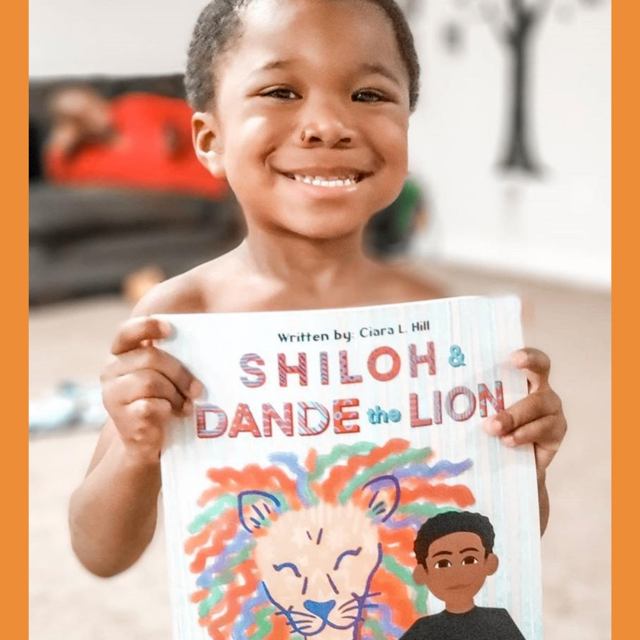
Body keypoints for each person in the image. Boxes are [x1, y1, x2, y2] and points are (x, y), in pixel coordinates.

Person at [69, 0, 567, 580]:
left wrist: (526, 467)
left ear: (406, 127)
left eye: (369, 95)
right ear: (209, 140)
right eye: (281, 91)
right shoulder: (180, 319)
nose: (329, 125)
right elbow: (100, 553)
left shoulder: (436, 317)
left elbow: (499, 541)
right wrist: (134, 451)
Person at [45, 85, 228, 199]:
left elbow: (194, 114)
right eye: (80, 115)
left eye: (90, 102)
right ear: (71, 127)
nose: (92, 113)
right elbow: (59, 178)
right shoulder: (87, 159)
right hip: (202, 196)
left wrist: (177, 134)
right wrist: (59, 145)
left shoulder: (132, 106)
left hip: (222, 165)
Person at [401, 511, 525, 639]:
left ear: (489, 563)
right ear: (422, 573)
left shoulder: (499, 621)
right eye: (443, 563)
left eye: (469, 560)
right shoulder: (422, 630)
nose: (457, 573)